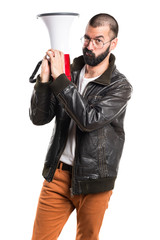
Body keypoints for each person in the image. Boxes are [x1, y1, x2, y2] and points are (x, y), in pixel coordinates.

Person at [30, 13, 132, 240]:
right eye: (86, 38)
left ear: (113, 44)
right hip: (57, 176)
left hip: (94, 182)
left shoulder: (120, 86)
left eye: (98, 40)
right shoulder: (69, 72)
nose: (89, 46)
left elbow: (88, 120)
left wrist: (60, 80)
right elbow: (39, 118)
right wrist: (45, 81)